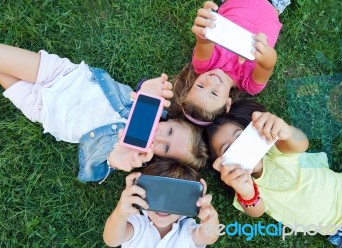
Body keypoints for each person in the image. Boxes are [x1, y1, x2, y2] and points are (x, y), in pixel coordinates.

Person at [205, 98, 342, 248]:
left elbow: (300, 143)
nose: (239, 148)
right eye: (227, 149)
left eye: (240, 138)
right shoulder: (245, 189)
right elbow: (256, 211)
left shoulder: (274, 151)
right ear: (222, 164)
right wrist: (247, 192)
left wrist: (286, 131)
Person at [0, 44, 209, 183]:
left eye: (165, 147)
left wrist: (113, 158)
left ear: (161, 159)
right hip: (63, 76)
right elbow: (138, 94)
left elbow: (91, 171)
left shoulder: (127, 151)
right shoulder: (148, 108)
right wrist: (146, 89)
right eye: (170, 131)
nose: (159, 135)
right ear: (171, 120)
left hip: (44, 110)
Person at [169, 0, 283, 124]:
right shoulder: (249, 84)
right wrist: (263, 54)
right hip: (273, 4)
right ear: (228, 103)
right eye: (214, 93)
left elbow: (204, 40)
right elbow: (269, 64)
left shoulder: (203, 65)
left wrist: (205, 25)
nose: (210, 81)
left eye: (200, 86)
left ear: (191, 84)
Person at [103, 158, 220, 248]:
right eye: (156, 194)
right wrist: (120, 214)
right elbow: (112, 240)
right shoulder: (137, 223)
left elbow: (208, 237)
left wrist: (210, 218)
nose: (162, 204)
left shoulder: (186, 230)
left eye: (174, 198)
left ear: (188, 202)